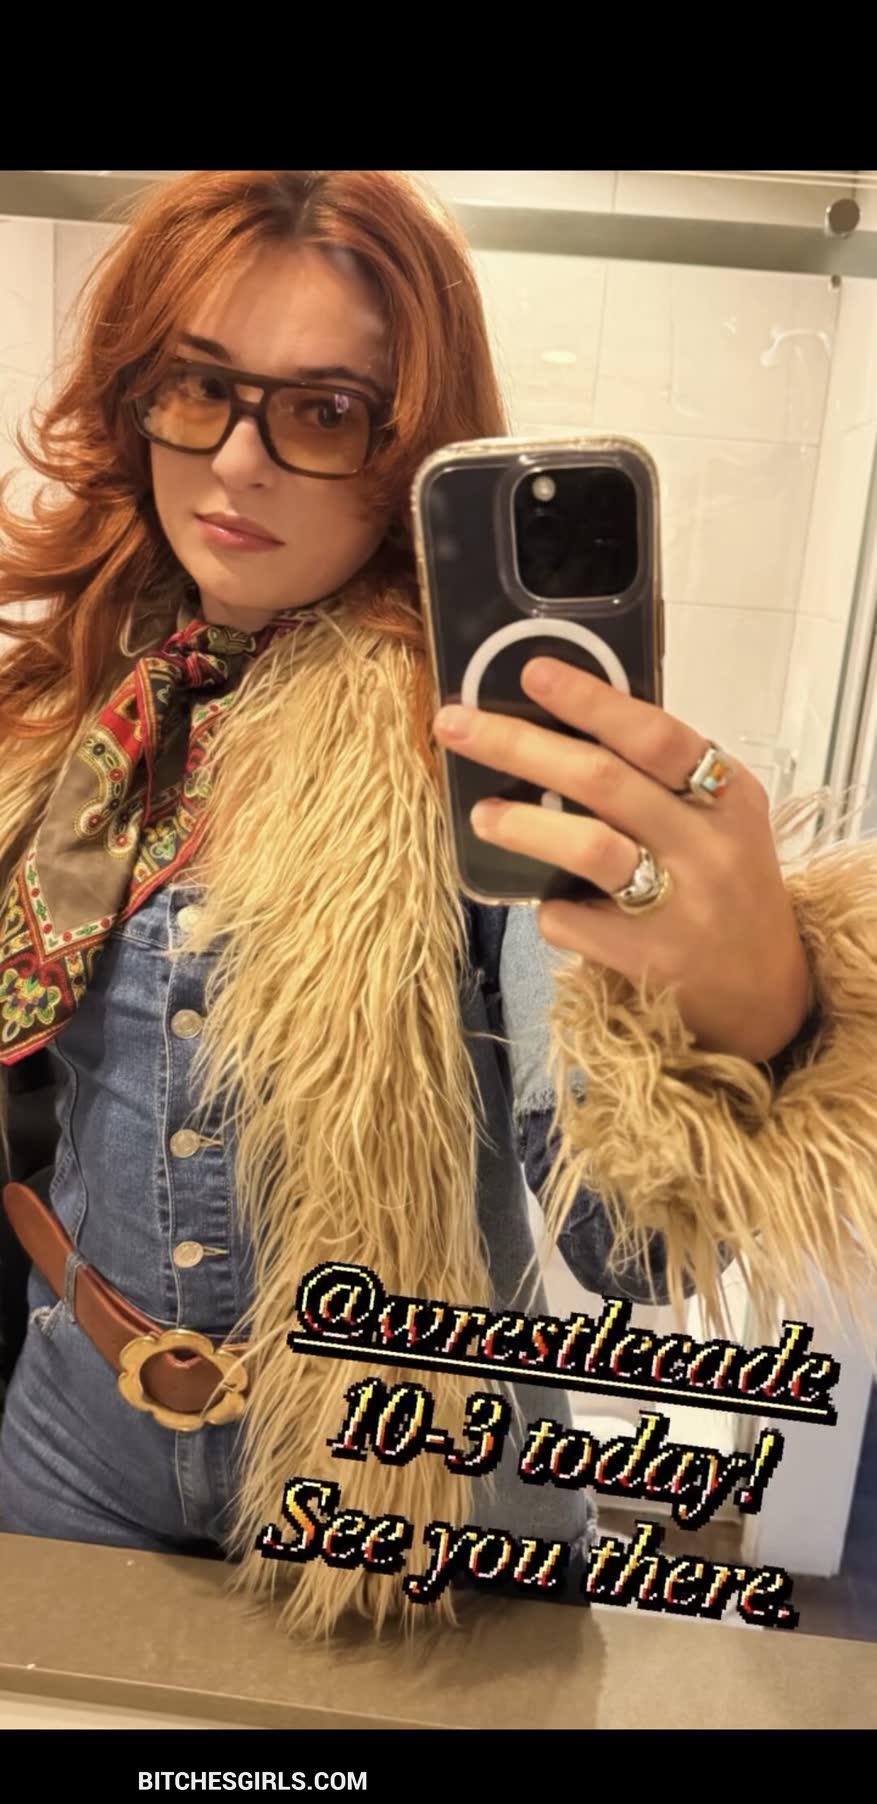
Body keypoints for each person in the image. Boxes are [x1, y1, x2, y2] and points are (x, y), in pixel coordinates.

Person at [0, 170, 873, 1643]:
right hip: (70, 1448)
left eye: (324, 410)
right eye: (199, 389)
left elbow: (627, 1249)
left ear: (408, 446)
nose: (240, 461)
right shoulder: (60, 720)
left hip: (423, 1505)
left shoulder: (468, 747)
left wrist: (745, 1031)